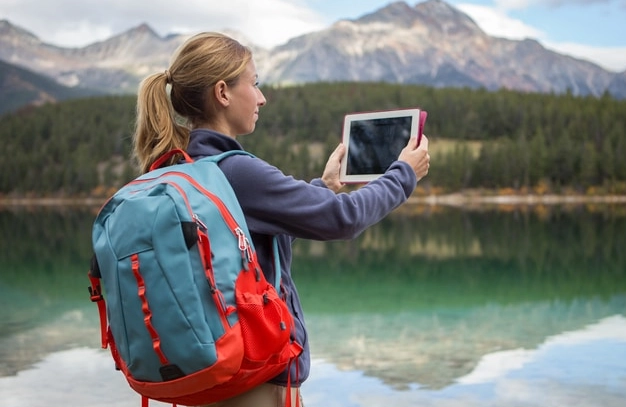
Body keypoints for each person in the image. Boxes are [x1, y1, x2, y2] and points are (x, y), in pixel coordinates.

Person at [132, 32, 430, 407]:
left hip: (207, 382)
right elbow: (344, 219)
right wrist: (404, 174)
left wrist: (323, 186)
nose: (261, 97)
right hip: (253, 385)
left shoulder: (183, 169)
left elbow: (242, 252)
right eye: (254, 84)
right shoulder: (236, 172)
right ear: (223, 93)